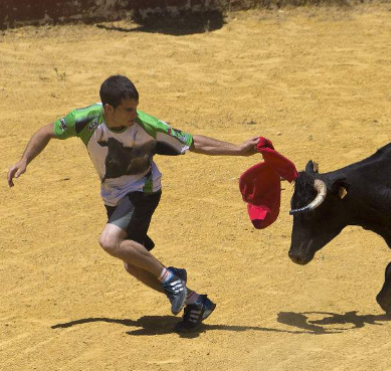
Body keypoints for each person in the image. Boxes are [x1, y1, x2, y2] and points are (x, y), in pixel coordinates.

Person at [7, 75, 260, 332]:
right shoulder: (85, 119)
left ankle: (170, 277)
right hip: (113, 197)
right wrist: (24, 159)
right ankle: (195, 301)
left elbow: (192, 142)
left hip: (144, 190)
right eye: (128, 109)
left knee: (110, 241)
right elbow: (47, 130)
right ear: (109, 108)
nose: (134, 114)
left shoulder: (146, 126)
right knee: (133, 264)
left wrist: (239, 149)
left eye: (135, 107)